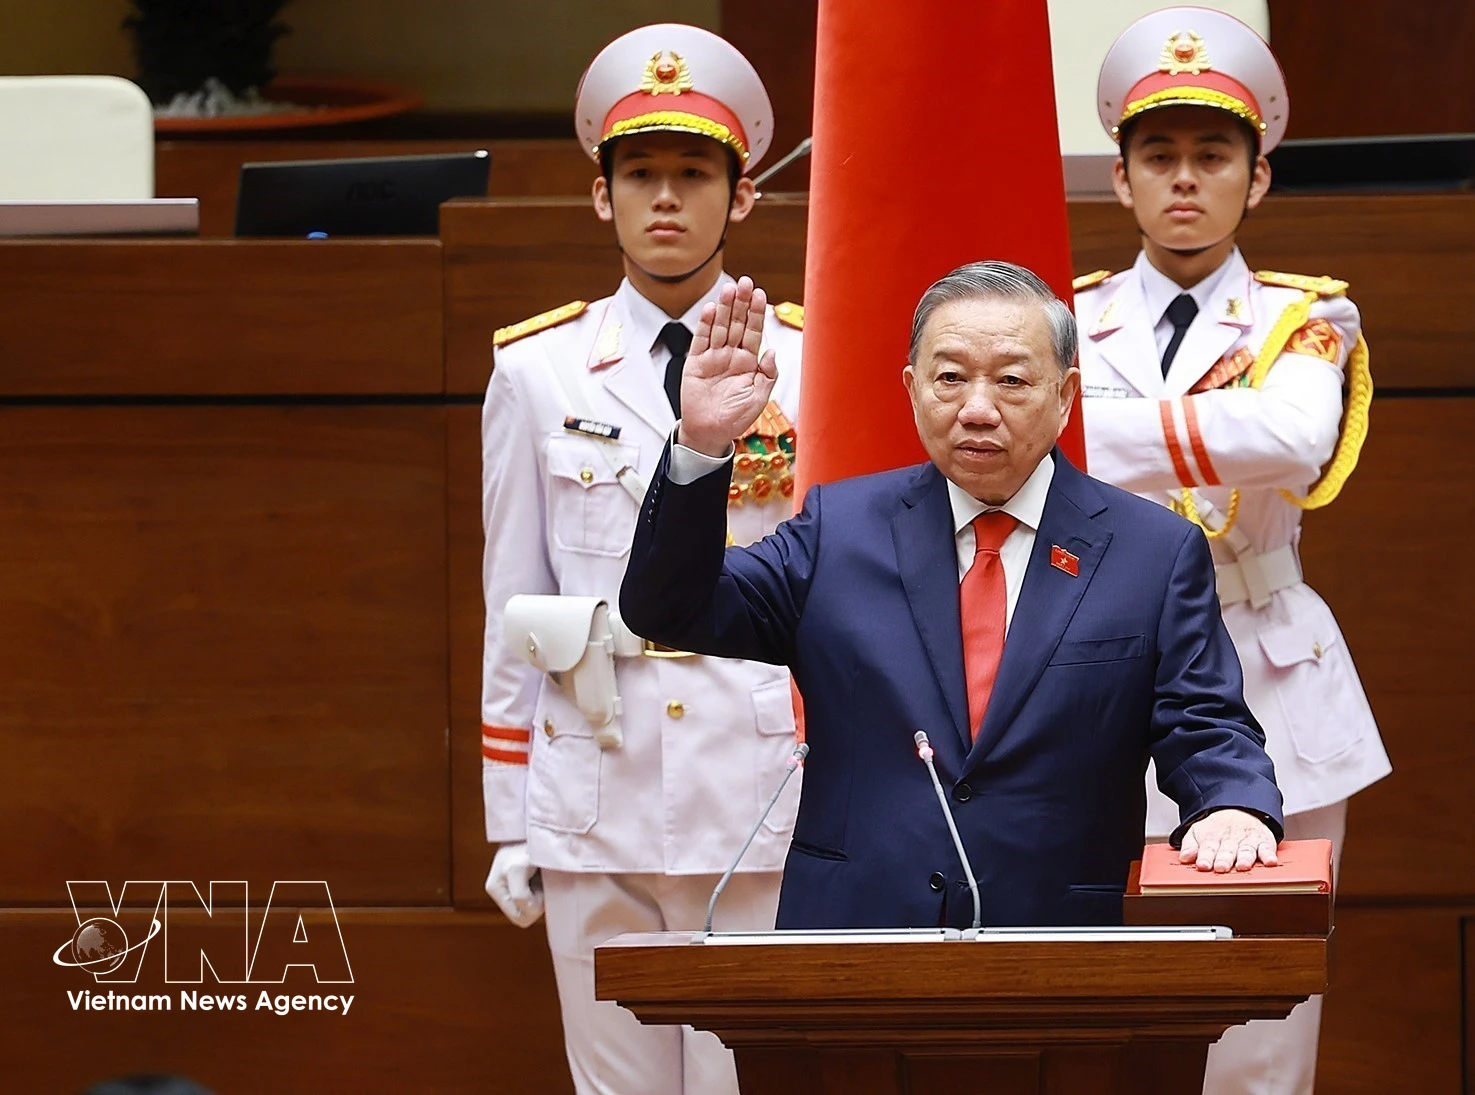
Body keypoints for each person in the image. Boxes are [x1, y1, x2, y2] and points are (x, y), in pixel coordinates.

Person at [620, 261, 1286, 928]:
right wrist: (702, 444)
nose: (976, 408)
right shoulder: (839, 531)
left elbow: (1205, 721)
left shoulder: (1154, 552)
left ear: (1065, 394)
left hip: (1060, 947)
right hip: (853, 945)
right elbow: (671, 608)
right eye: (949, 378)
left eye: (1012, 380)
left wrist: (1231, 803)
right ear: (912, 389)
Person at [477, 23, 805, 1095]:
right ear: (599, 196)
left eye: (694, 174)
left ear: (742, 196)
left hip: (756, 780)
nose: (666, 198)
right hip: (592, 779)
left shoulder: (805, 356)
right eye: (640, 174)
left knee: (746, 1081)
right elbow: (512, 603)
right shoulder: (538, 372)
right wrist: (507, 815)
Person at [1075, 9, 1390, 1092]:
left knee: (1264, 1025)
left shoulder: (1307, 317)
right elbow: (1028, 448)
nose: (1184, 179)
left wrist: (1087, 432)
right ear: (1118, 178)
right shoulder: (1062, 322)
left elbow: (1292, 438)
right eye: (1157, 155)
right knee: (1112, 1006)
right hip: (1098, 670)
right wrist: (1209, 434)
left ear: (1256, 179)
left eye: (1213, 155)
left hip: (1269, 672)